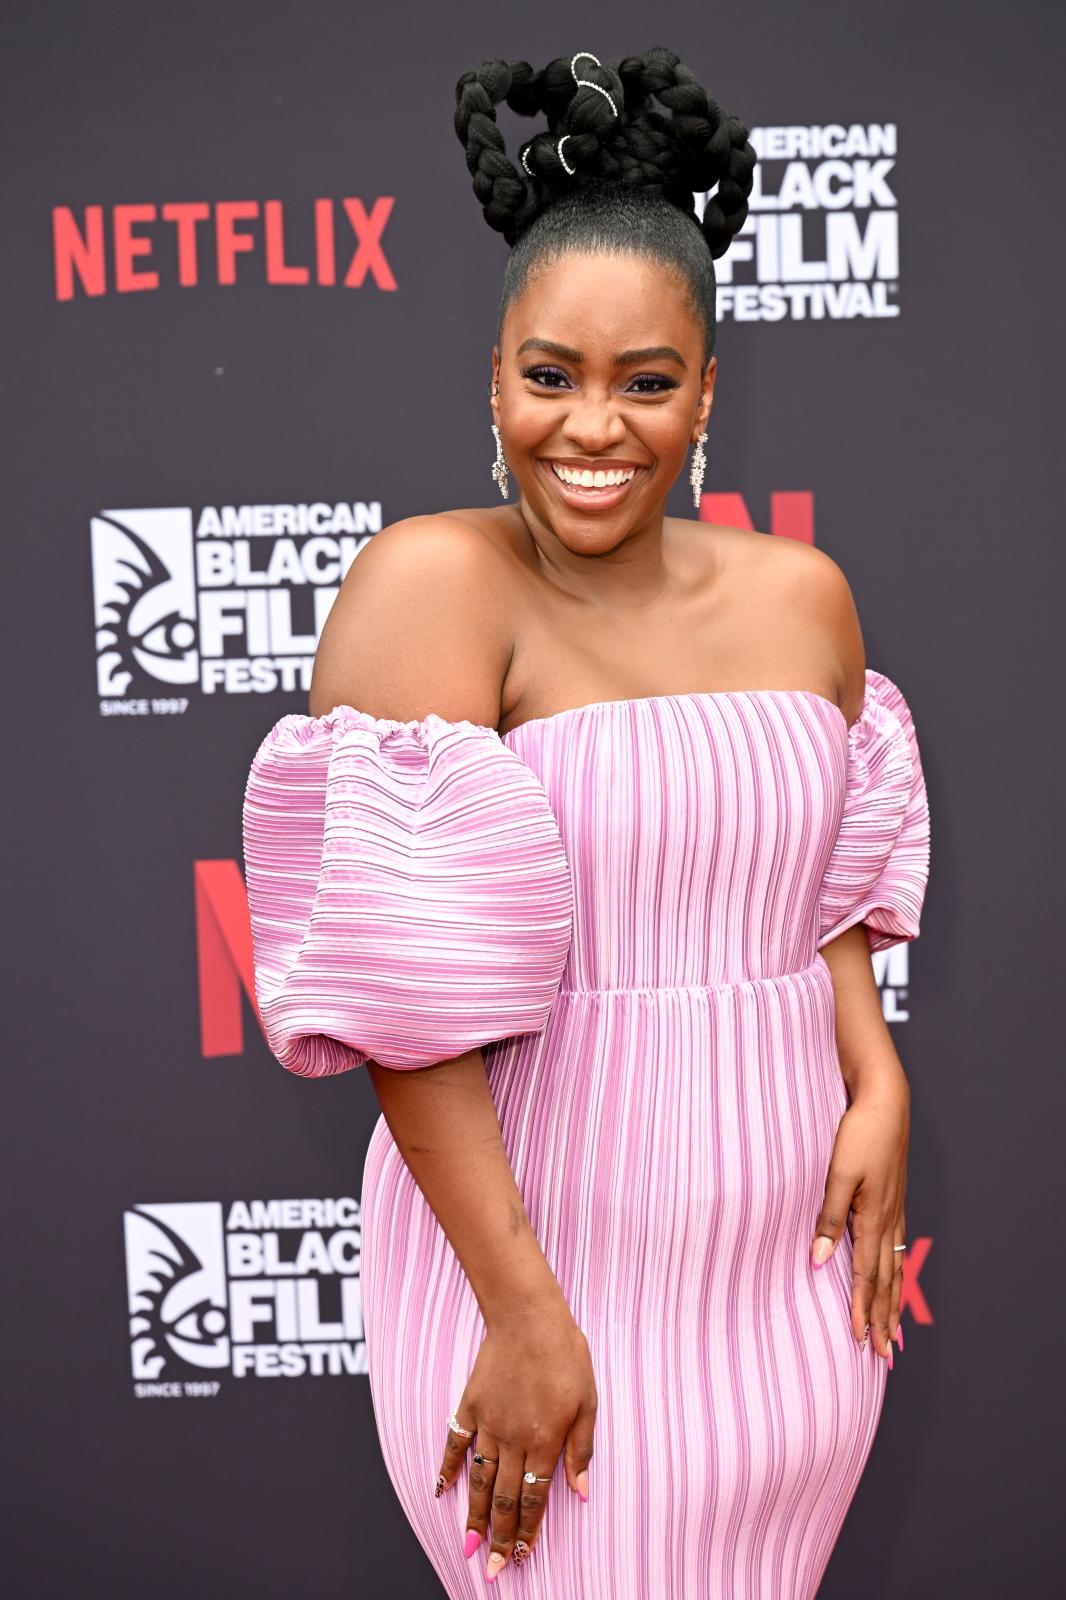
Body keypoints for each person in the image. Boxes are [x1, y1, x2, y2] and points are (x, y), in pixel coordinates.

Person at [241, 47, 931, 1599]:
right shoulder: (434, 585)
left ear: (707, 391)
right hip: (542, 1266)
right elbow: (408, 1012)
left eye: (646, 382)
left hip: (785, 1269)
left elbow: (813, 892)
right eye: (549, 377)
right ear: (492, 377)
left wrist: (877, 1076)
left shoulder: (801, 597)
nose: (592, 428)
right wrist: (523, 1312)